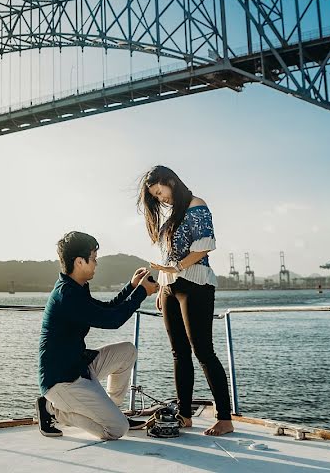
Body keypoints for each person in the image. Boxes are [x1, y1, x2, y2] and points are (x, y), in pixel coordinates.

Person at [138, 165, 234, 436]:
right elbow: (168, 260)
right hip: (170, 287)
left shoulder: (196, 204)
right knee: (179, 353)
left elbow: (204, 246)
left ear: (170, 181)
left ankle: (225, 418)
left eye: (160, 192)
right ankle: (184, 414)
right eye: (155, 197)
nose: (161, 199)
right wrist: (163, 287)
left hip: (195, 284)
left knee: (203, 350)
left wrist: (176, 268)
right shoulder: (171, 216)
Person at [36, 231, 159, 439]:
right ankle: (52, 409)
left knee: (127, 351)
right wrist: (141, 293)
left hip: (79, 367)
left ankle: (111, 411)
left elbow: (108, 309)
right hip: (62, 382)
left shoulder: (77, 288)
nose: (96, 264)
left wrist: (131, 287)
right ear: (79, 262)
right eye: (93, 259)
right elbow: (113, 321)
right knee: (117, 430)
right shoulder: (67, 295)